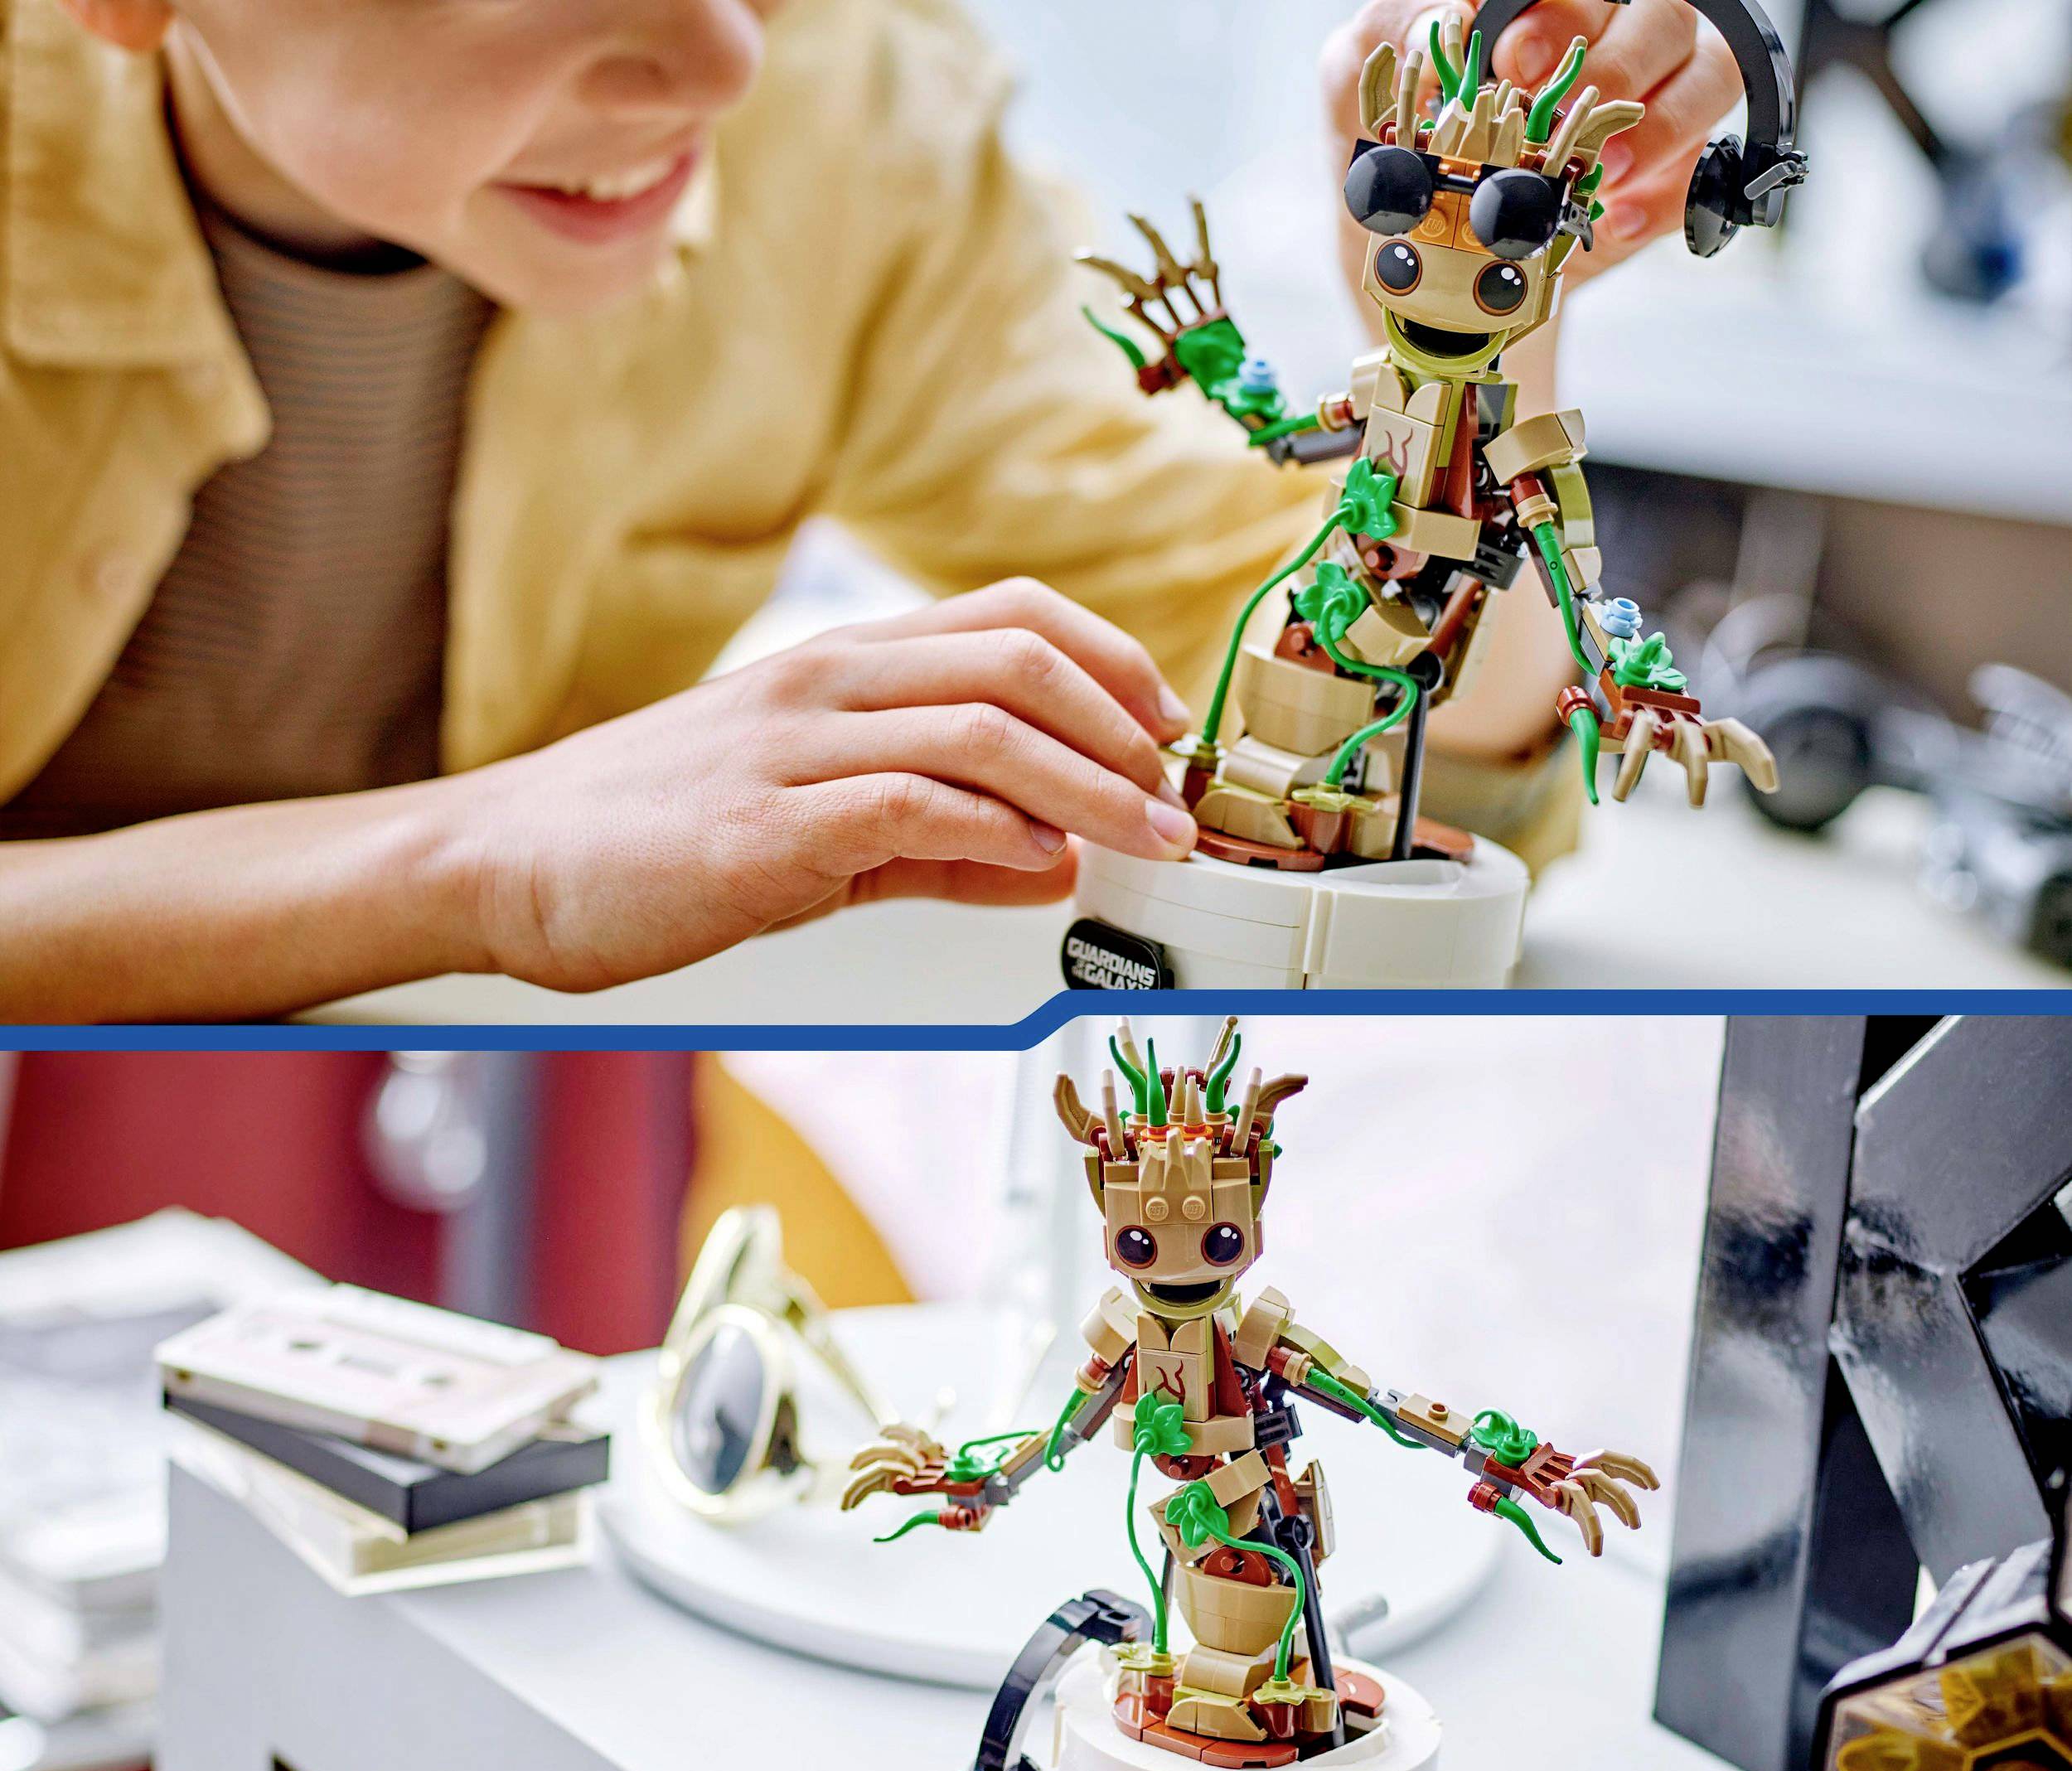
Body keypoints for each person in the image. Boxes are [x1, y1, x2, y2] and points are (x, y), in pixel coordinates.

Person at [0, 0, 1742, 1019]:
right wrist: (471, 855)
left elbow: (1437, 723)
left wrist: (1464, 341)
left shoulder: (845, 120)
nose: (721, 61)